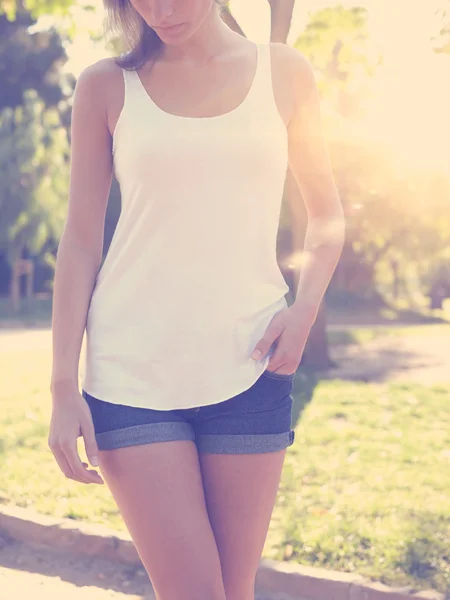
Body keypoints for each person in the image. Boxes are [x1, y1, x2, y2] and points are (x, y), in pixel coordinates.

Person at [48, 1, 344, 599]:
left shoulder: (285, 72)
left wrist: (304, 308)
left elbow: (327, 214)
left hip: (250, 367)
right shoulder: (106, 86)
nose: (157, 10)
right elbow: (81, 244)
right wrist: (61, 386)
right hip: (132, 377)